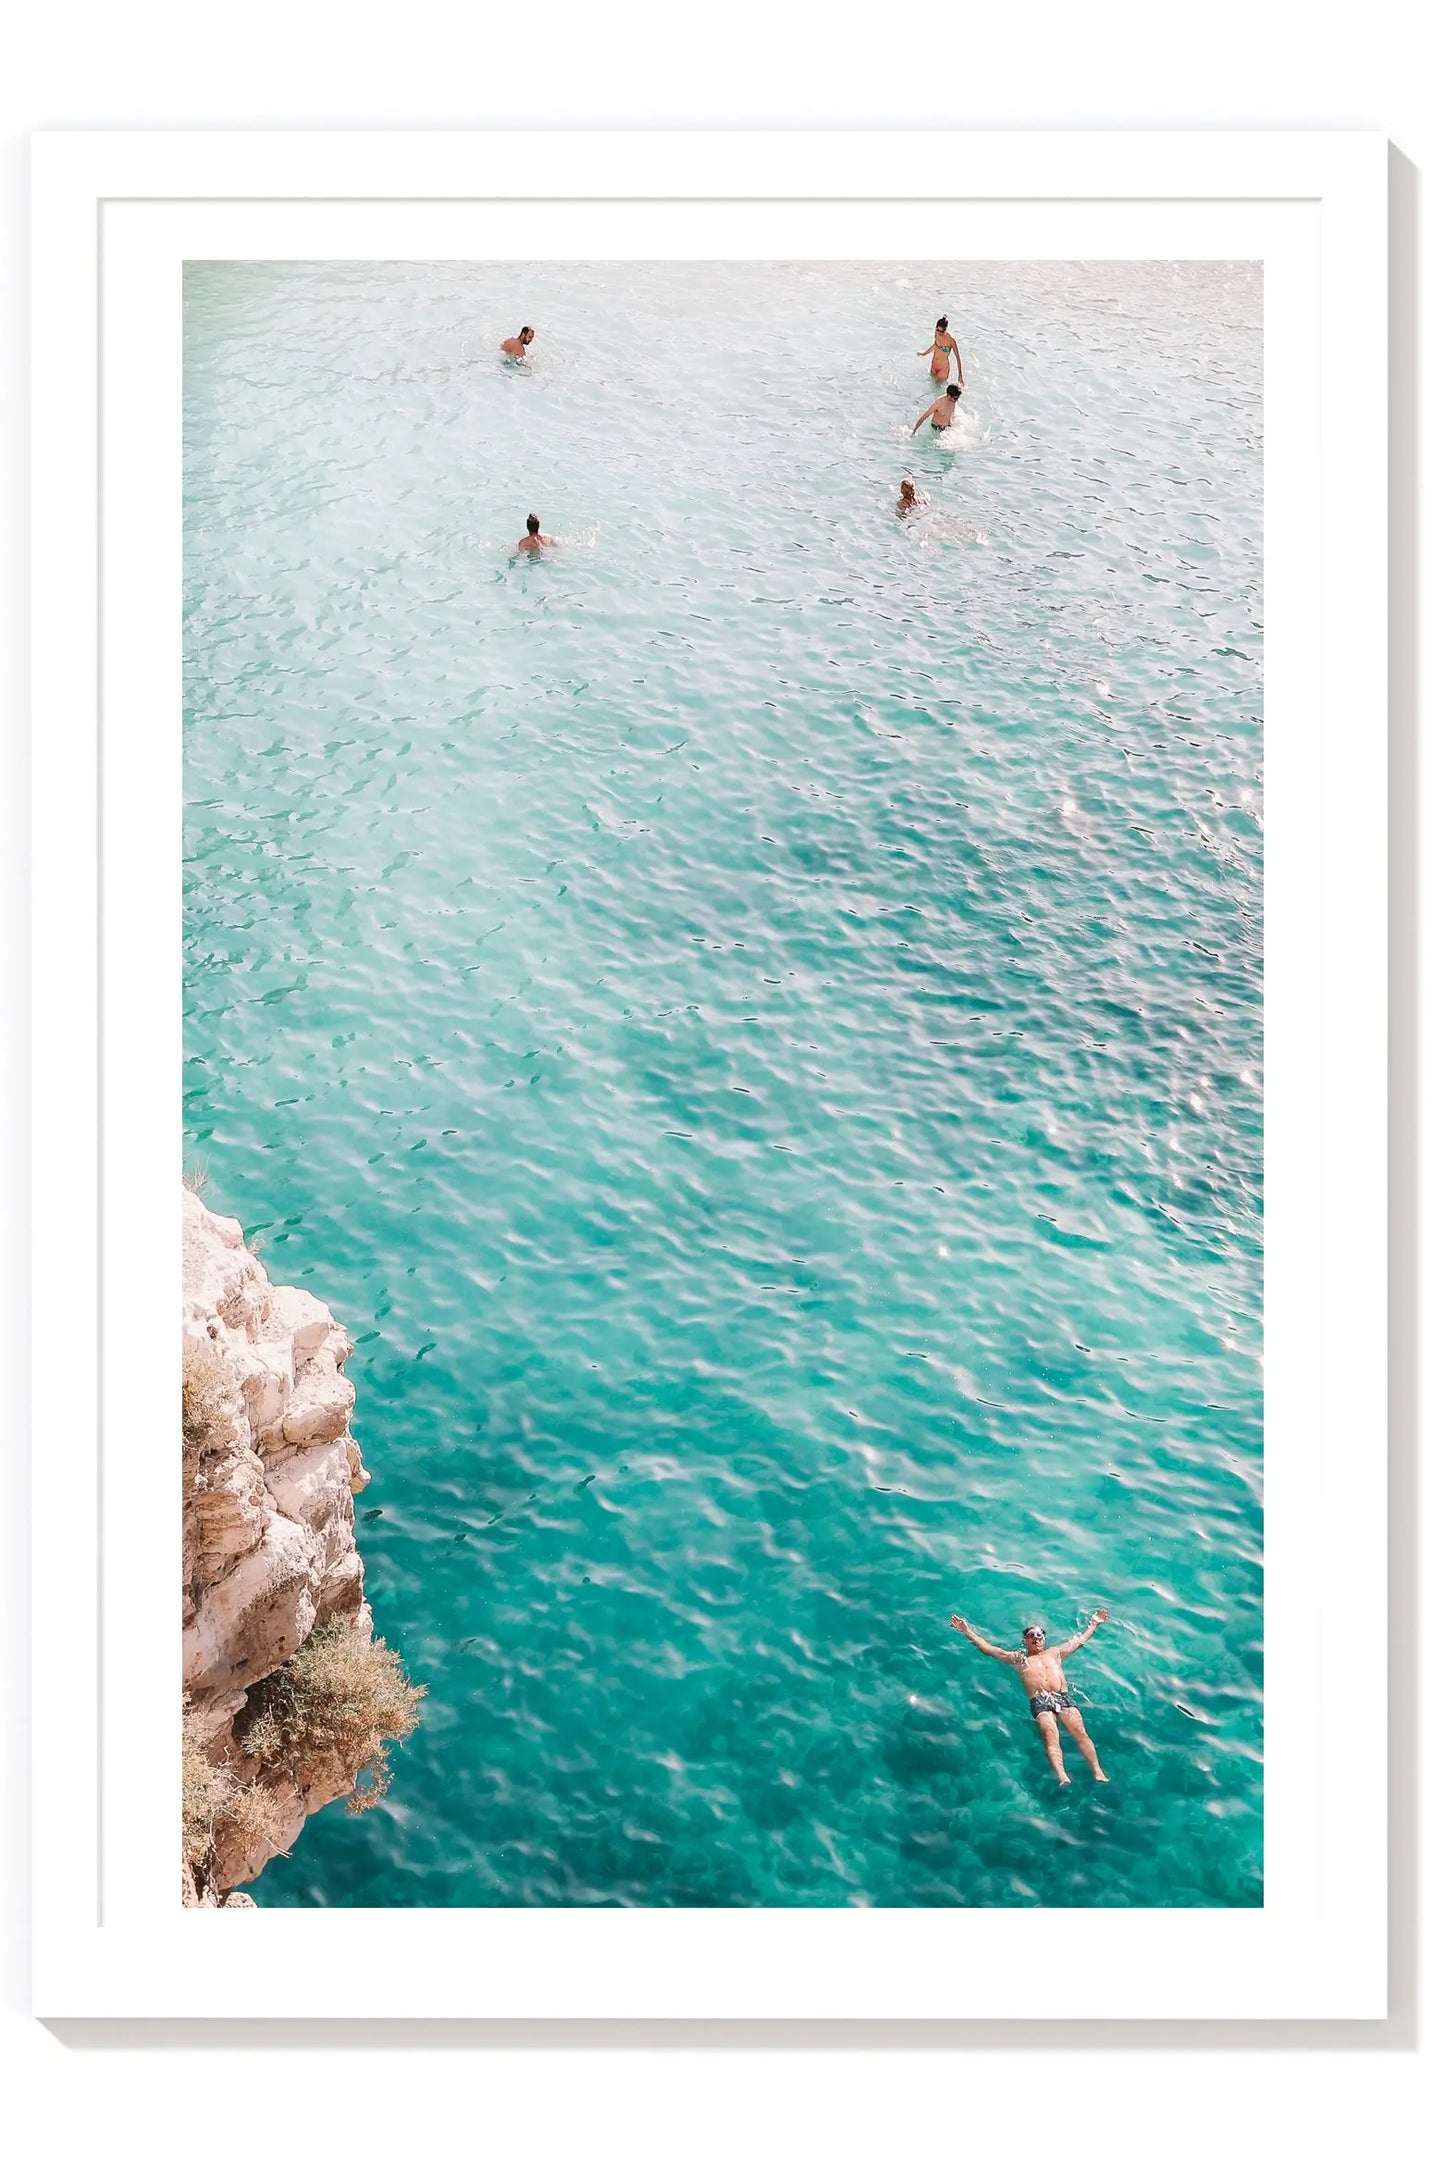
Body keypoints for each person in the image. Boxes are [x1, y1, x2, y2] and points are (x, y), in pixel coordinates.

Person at [949, 1610, 1111, 1784]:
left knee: (1080, 1732)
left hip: (1063, 1697)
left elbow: (1079, 1641)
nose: (1036, 1637)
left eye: (1039, 1635)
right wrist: (967, 1631)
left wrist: (1094, 1623)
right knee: (1050, 1734)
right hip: (1040, 1700)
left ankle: (1097, 1771)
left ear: (1044, 1639)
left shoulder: (1055, 1652)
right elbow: (989, 1649)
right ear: (1025, 1640)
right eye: (1031, 1635)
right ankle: (1062, 1775)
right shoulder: (1019, 1659)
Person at [919, 315, 963, 384]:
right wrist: (924, 353)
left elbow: (958, 358)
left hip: (943, 369)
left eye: (942, 331)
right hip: (934, 365)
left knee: (936, 389)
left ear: (946, 329)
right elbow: (935, 346)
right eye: (937, 330)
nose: (939, 332)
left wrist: (960, 375)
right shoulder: (936, 334)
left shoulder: (951, 341)